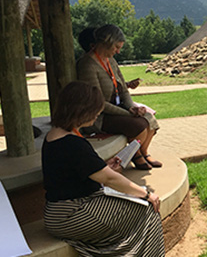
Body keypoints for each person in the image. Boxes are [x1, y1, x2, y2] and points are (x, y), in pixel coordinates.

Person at [42, 81, 165, 256]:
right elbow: (110, 179)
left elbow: (76, 172)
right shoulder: (73, 143)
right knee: (148, 207)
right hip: (72, 214)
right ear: (82, 110)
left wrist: (104, 167)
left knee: (136, 206)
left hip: (59, 212)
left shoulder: (55, 135)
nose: (98, 114)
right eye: (95, 110)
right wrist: (146, 194)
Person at [77, 24, 162, 170]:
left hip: (118, 108)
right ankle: (135, 157)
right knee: (139, 126)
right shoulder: (87, 65)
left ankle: (143, 152)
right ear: (105, 42)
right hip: (99, 115)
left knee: (150, 119)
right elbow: (97, 102)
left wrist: (132, 107)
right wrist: (128, 113)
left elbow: (123, 91)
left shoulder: (112, 61)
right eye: (116, 47)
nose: (118, 51)